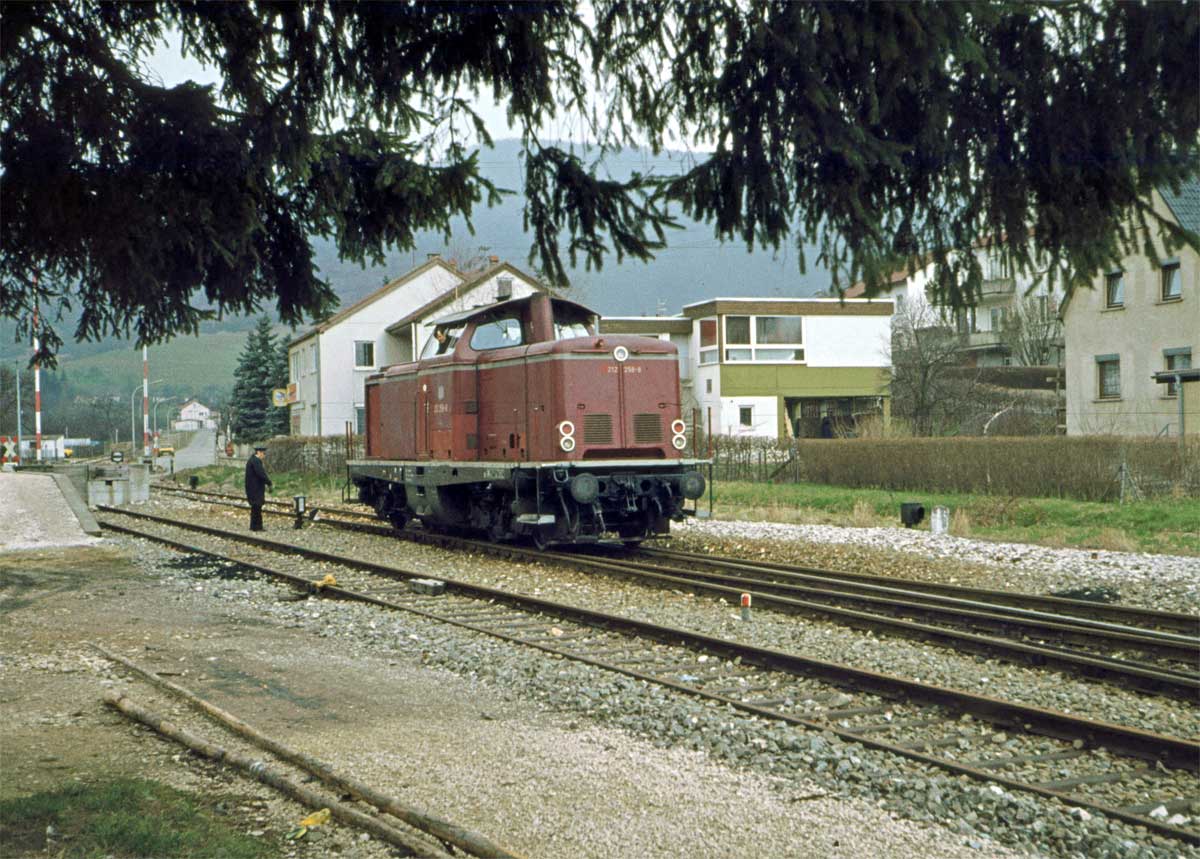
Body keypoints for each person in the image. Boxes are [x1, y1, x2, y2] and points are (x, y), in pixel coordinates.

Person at [244, 444, 272, 531]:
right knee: (257, 507)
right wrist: (268, 482)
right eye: (263, 453)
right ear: (259, 452)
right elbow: (261, 474)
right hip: (255, 488)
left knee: (255, 508)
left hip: (252, 488)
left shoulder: (252, 460)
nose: (264, 455)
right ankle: (257, 526)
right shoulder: (256, 461)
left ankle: (254, 526)